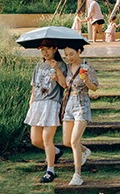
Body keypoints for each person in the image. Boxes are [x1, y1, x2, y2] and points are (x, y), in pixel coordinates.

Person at [24, 41, 68, 183]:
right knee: (35, 140)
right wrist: (31, 102)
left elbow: (64, 85)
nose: (44, 52)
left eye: (47, 49)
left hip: (52, 103)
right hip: (37, 104)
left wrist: (57, 72)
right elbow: (34, 86)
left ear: (55, 48)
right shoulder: (38, 66)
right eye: (42, 50)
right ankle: (55, 152)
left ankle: (50, 170)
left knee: (47, 139)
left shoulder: (61, 65)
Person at [61, 45, 99, 186]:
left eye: (71, 54)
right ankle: (85, 151)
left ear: (78, 51)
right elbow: (65, 86)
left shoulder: (86, 66)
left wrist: (86, 80)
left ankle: (77, 175)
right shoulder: (66, 68)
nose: (69, 57)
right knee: (66, 141)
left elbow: (95, 87)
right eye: (66, 55)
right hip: (69, 105)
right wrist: (57, 73)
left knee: (74, 142)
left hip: (81, 105)